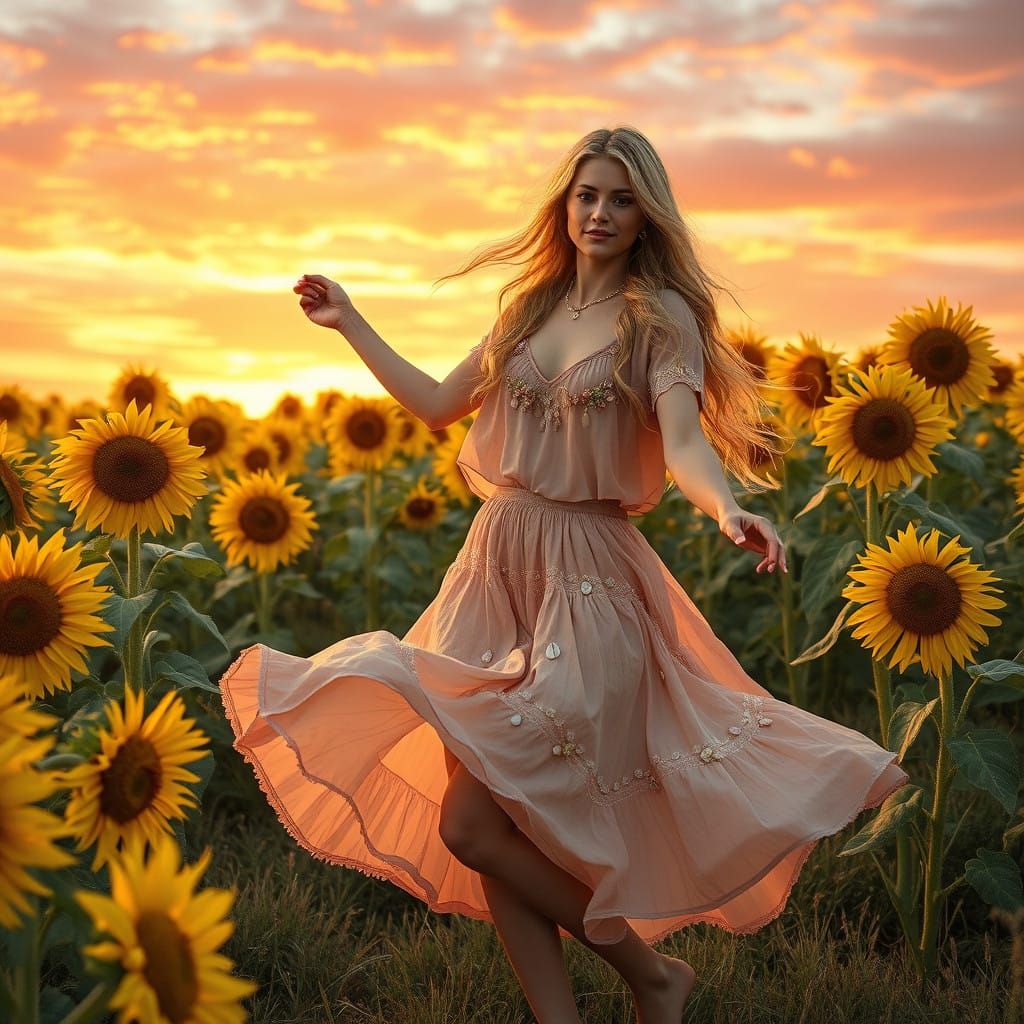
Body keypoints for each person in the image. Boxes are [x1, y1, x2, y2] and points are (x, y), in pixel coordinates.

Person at [220, 126, 910, 1024]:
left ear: (645, 216)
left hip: (589, 583)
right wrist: (351, 321)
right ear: (564, 203)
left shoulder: (656, 320)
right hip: (495, 573)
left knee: (473, 825)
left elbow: (688, 439)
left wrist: (725, 505)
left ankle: (655, 978)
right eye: (587, 194)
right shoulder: (526, 307)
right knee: (496, 824)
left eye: (621, 199)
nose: (600, 213)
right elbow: (434, 404)